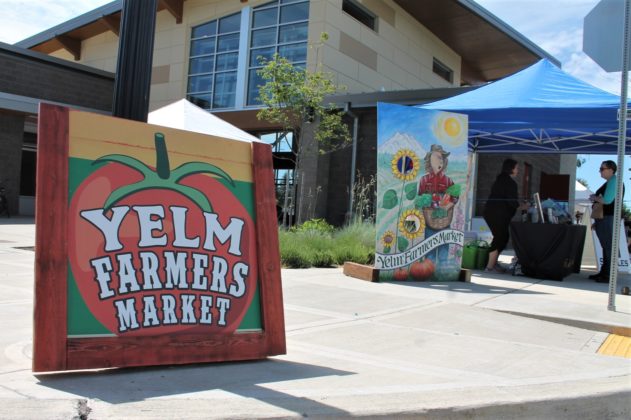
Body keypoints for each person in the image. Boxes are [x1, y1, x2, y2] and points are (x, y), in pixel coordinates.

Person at [483, 159, 527, 273]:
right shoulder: (510, 182)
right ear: (511, 168)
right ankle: (489, 266)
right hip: (498, 214)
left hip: (491, 212)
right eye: (517, 168)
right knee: (500, 238)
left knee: (502, 237)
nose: (518, 170)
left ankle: (493, 263)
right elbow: (512, 201)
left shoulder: (500, 179)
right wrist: (524, 207)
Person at [589, 160, 624, 283]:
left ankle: (608, 275)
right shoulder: (611, 182)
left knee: (608, 247)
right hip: (605, 218)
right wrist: (597, 222)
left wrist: (594, 198)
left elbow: (608, 200)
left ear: (611, 170)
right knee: (606, 246)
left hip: (608, 218)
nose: (600, 171)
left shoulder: (614, 181)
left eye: (602, 168)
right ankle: (604, 273)